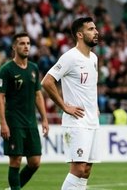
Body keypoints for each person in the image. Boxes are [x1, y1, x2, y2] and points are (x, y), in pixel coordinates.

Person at [42, 17, 101, 190]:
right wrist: (64, 107)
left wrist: (95, 106)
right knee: (78, 168)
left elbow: (90, 85)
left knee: (87, 170)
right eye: (91, 29)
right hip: (76, 122)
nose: (96, 32)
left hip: (92, 120)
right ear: (80, 35)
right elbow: (47, 81)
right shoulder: (70, 57)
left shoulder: (94, 58)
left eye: (95, 28)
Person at [0, 32, 49, 190]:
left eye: (28, 43)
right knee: (16, 161)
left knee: (35, 162)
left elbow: (38, 95)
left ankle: (12, 188)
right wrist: (3, 123)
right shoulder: (6, 69)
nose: (26, 46)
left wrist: (45, 119)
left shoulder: (33, 68)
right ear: (14, 47)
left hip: (31, 122)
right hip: (14, 122)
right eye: (22, 43)